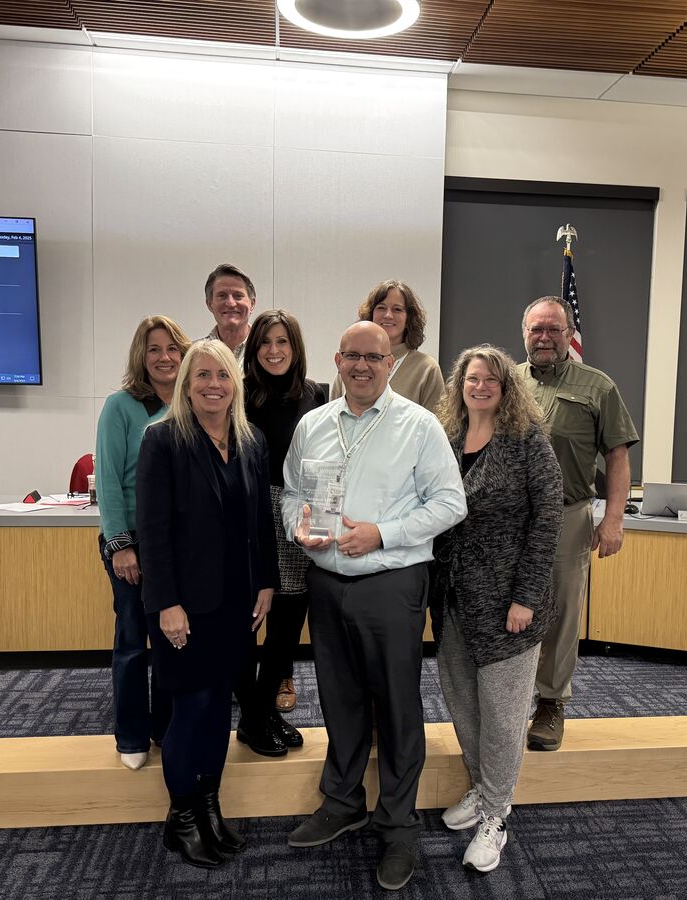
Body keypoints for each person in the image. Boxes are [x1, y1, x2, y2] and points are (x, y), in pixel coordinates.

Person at [282, 321, 466, 891]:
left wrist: (383, 534)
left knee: (396, 706)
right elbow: (290, 493)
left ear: (391, 363)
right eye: (352, 356)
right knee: (338, 698)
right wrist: (300, 528)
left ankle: (397, 823)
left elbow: (450, 503)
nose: (362, 366)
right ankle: (342, 802)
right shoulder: (312, 425)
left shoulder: (419, 425)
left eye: (374, 357)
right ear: (338, 360)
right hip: (327, 582)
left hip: (391, 581)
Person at [136, 339, 278, 868]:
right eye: (202, 376)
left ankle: (211, 804)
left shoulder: (251, 440)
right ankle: (183, 817)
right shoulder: (162, 441)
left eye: (222, 375)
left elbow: (260, 520)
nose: (213, 384)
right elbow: (152, 532)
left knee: (220, 707)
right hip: (183, 607)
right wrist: (166, 603)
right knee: (191, 708)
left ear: (235, 383)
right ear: (186, 384)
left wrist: (266, 581)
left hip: (237, 602)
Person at [431, 345, 562, 873]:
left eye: (490, 379)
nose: (480, 386)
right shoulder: (445, 439)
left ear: (507, 388)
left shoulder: (528, 443)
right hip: (453, 599)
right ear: (459, 385)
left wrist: (526, 598)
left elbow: (547, 521)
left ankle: (497, 816)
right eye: (471, 378)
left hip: (509, 603)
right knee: (463, 702)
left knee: (505, 717)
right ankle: (483, 789)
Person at [519, 296, 639, 752]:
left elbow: (618, 456)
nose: (545, 337)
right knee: (509, 610)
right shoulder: (507, 381)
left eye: (554, 329)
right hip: (513, 519)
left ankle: (550, 704)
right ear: (524, 333)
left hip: (568, 515)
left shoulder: (597, 386)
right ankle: (508, 701)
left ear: (569, 333)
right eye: (537, 330)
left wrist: (613, 519)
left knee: (563, 612)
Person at [95, 315, 190, 770]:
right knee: (133, 640)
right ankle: (131, 736)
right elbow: (109, 482)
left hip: (177, 546)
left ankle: (166, 730)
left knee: (175, 643)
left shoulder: (196, 402)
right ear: (142, 356)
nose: (165, 357)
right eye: (154, 349)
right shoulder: (121, 406)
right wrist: (120, 545)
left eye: (172, 348)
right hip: (131, 542)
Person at [236, 310, 329, 755]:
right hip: (248, 513)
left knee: (288, 624)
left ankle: (262, 713)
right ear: (254, 350)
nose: (274, 351)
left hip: (296, 512)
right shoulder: (238, 394)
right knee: (245, 624)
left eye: (282, 342)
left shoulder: (317, 395)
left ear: (296, 348)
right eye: (265, 343)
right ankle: (253, 717)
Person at [331, 280, 443, 412]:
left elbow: (434, 424)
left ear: (408, 319)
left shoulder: (426, 369)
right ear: (371, 314)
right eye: (381, 308)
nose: (388, 315)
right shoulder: (351, 364)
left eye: (397, 309)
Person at [203, 263, 257, 362]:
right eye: (222, 296)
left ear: (252, 304)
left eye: (238, 296)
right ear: (210, 304)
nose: (231, 303)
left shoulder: (268, 351)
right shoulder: (195, 355)